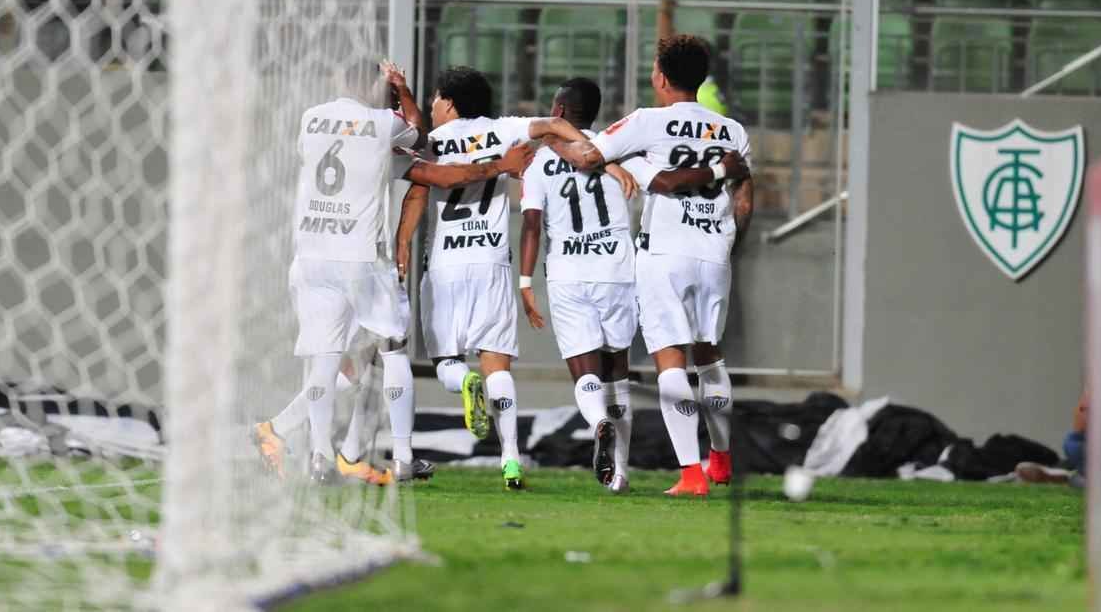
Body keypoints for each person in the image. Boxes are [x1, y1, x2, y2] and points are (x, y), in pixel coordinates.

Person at [253, 61, 533, 484]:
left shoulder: (311, 119)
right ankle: (399, 455)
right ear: (379, 89)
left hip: (311, 257)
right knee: (387, 353)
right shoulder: (386, 128)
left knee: (338, 363)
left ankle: (320, 454)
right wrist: (497, 165)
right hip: (364, 260)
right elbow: (434, 163)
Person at [547, 35, 755, 496]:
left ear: (659, 76)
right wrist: (731, 243)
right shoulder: (732, 130)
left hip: (665, 253)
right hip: (715, 250)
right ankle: (720, 459)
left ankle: (691, 475)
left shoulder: (647, 122)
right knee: (710, 352)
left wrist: (546, 133)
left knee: (671, 359)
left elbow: (586, 157)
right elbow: (744, 195)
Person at [394, 66, 616, 490]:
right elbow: (554, 125)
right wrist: (595, 153)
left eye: (437, 99)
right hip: (492, 261)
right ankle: (511, 461)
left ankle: (464, 382)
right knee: (498, 364)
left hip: (444, 264)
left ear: (450, 102)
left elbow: (419, 191)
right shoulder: (504, 130)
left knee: (446, 363)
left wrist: (403, 243)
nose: (433, 107)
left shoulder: (434, 143)